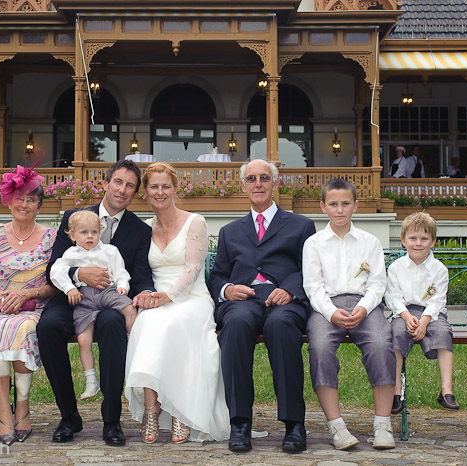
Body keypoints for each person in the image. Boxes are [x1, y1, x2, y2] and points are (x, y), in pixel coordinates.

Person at [38, 160, 155, 446]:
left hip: (110, 301)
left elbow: (139, 275)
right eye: (118, 182)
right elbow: (54, 268)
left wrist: (144, 293)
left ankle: (112, 420)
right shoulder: (75, 217)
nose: (122, 190)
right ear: (106, 183)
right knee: (48, 326)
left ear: (134, 193)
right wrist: (79, 274)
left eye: (130, 186)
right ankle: (69, 416)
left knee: (114, 323)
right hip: (72, 296)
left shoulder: (140, 231)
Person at [208, 159, 316, 453]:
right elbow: (217, 274)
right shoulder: (230, 231)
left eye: (264, 178)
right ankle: (239, 422)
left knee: (281, 326)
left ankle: (294, 423)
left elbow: (312, 268)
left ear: (275, 183)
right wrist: (227, 289)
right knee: (236, 324)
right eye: (252, 179)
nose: (258, 184)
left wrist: (291, 290)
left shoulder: (301, 225)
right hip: (244, 299)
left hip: (284, 299)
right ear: (243, 186)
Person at [125, 162, 229, 444]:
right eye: (154, 187)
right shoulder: (144, 228)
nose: (161, 192)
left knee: (176, 323)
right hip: (156, 296)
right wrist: (148, 295)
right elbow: (139, 270)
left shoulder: (195, 221)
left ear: (174, 188)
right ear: (145, 192)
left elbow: (194, 268)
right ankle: (151, 407)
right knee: (146, 323)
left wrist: (169, 296)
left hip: (191, 297)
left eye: (166, 186)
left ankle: (181, 411)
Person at [0, 164, 58, 445]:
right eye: (19, 198)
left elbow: (56, 283)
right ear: (9, 201)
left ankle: (24, 407)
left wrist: (27, 294)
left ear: (39, 205)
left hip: (33, 306)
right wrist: (1, 297)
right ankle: (4, 409)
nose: (24, 204)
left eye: (31, 199)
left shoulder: (52, 237)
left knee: (23, 329)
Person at [302, 178, 396, 451]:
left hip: (364, 304)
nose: (339, 210)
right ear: (323, 207)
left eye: (345, 204)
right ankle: (337, 427)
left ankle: (382, 423)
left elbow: (378, 282)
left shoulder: (369, 242)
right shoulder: (314, 243)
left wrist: (363, 308)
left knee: (381, 344)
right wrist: (331, 313)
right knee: (319, 347)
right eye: (333, 204)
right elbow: (312, 286)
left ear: (355, 205)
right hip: (326, 307)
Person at [50, 210, 137, 400]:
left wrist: (122, 286)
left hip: (108, 291)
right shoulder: (70, 254)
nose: (90, 236)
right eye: (83, 232)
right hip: (84, 298)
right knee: (83, 339)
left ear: (100, 232)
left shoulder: (110, 251)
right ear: (72, 236)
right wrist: (69, 289)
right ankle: (91, 381)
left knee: (130, 309)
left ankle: (132, 345)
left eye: (94, 232)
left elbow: (120, 271)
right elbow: (56, 272)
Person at [386, 212, 458, 415]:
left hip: (432, 315)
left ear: (433, 241)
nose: (418, 243)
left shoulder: (439, 269)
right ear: (403, 240)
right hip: (403, 313)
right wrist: (407, 317)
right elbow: (393, 296)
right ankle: (396, 391)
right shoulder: (396, 267)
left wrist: (425, 321)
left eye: (424, 239)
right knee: (396, 334)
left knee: (444, 333)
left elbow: (437, 300)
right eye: (413, 238)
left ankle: (446, 391)